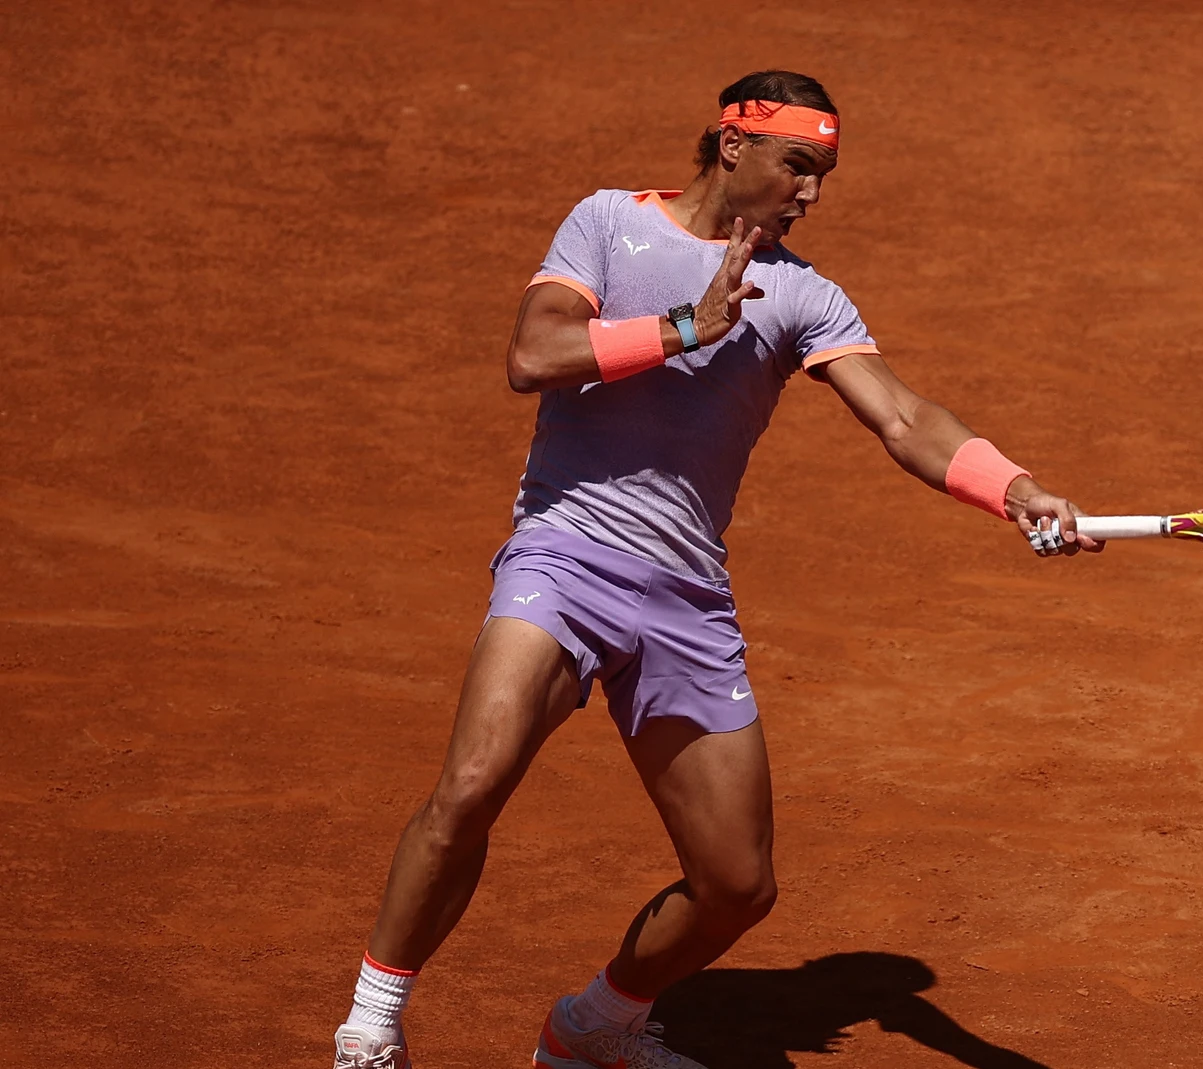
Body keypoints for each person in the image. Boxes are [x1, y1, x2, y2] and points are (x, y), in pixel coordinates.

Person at [331, 69, 1100, 1069]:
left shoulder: (802, 293)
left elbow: (905, 418)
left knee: (738, 885)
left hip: (683, 595)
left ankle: (597, 1023)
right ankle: (372, 1024)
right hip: (564, 555)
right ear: (732, 146)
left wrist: (1017, 489)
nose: (810, 192)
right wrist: (685, 328)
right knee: (474, 780)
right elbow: (534, 350)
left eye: (822, 174)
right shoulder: (608, 223)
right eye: (797, 165)